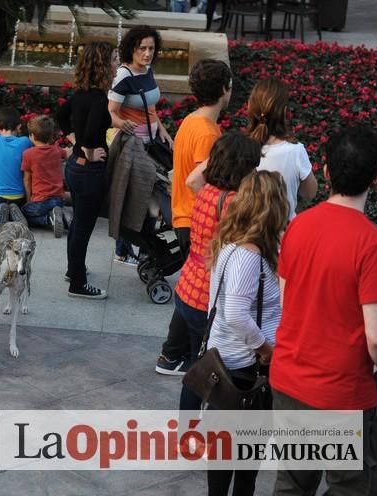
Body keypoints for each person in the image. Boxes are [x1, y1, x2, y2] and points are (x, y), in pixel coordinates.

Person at [270, 125, 377, 495]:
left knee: (292, 483)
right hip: (343, 394)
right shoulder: (373, 245)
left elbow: (288, 303)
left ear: (324, 171)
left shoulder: (298, 227)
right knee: (352, 487)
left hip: (290, 380)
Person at [203, 170, 290, 496]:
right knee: (241, 461)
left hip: (228, 363)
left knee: (229, 456)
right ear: (273, 206)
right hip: (243, 370)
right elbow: (237, 314)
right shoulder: (248, 255)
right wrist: (266, 349)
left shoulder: (232, 243)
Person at [158, 132, 261, 381]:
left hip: (188, 287)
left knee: (196, 367)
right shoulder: (233, 203)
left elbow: (194, 177)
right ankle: (199, 418)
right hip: (207, 298)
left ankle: (189, 418)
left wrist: (218, 155)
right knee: (205, 374)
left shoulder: (206, 191)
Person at [155, 58, 232, 375]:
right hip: (195, 220)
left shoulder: (192, 121)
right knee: (200, 297)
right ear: (225, 89)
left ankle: (171, 356)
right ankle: (185, 357)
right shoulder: (206, 133)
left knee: (191, 289)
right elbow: (202, 179)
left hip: (185, 217)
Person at [108, 25, 174, 267]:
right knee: (138, 197)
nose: (147, 53)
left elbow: (151, 108)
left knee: (150, 200)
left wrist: (164, 133)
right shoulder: (123, 75)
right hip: (132, 147)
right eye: (142, 48)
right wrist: (121, 123)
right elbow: (111, 112)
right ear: (132, 49)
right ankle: (125, 250)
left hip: (151, 143)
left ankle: (143, 249)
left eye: (151, 49)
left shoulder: (148, 70)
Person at [57, 41, 114, 299]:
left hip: (74, 168)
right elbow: (91, 131)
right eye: (113, 59)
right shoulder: (99, 98)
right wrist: (89, 149)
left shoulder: (81, 93)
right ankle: (77, 284)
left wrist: (74, 142)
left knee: (78, 223)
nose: (116, 64)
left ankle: (74, 270)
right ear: (103, 66)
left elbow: (60, 115)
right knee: (82, 228)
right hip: (89, 172)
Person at [246, 78, 318, 219]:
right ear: (285, 112)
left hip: (249, 233)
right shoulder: (295, 151)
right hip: (285, 233)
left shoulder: (240, 148)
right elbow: (310, 192)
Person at [20, 115, 68, 238]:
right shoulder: (57, 150)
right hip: (58, 200)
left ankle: (48, 220)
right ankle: (59, 217)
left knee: (22, 214)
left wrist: (28, 200)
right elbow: (67, 154)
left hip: (40, 201)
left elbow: (27, 180)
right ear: (51, 136)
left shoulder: (28, 154)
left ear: (32, 136)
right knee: (43, 209)